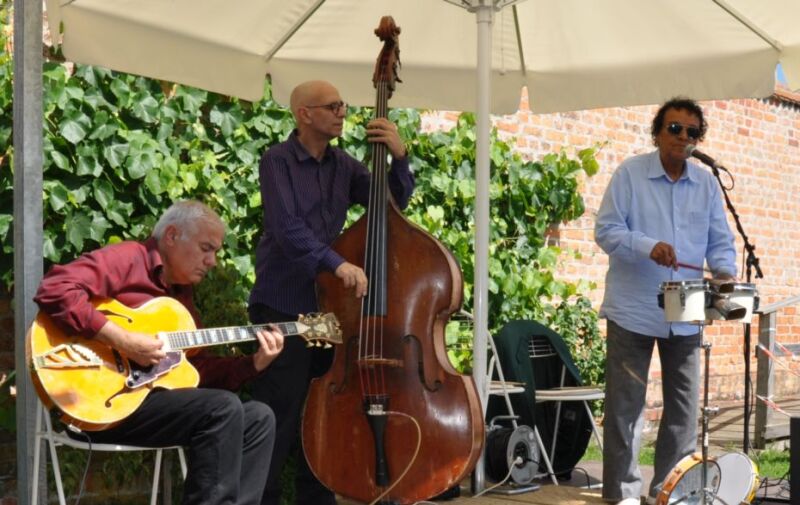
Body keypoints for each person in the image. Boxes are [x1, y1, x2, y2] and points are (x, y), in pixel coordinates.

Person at [34, 200, 284, 505]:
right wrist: (122, 339)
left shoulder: (181, 294)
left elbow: (194, 371)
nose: (213, 261)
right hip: (102, 405)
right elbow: (54, 288)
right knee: (223, 408)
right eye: (206, 248)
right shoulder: (127, 259)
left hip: (153, 404)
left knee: (259, 417)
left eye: (215, 252)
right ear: (172, 236)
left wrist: (253, 363)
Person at [248, 80, 415, 505]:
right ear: (304, 114)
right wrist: (338, 264)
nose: (343, 112)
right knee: (281, 412)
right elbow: (288, 230)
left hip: (327, 309)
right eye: (332, 106)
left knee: (324, 410)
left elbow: (390, 205)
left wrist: (399, 156)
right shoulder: (277, 161)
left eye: (344, 104)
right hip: (283, 302)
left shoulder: (345, 166)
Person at [594, 97, 737, 505]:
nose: (683, 137)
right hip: (633, 307)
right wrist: (646, 246)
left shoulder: (707, 183)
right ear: (657, 132)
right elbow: (606, 231)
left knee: (682, 409)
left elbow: (719, 241)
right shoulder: (630, 175)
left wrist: (725, 273)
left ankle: (669, 493)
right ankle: (622, 495)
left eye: (692, 132)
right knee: (626, 407)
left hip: (687, 308)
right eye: (674, 128)